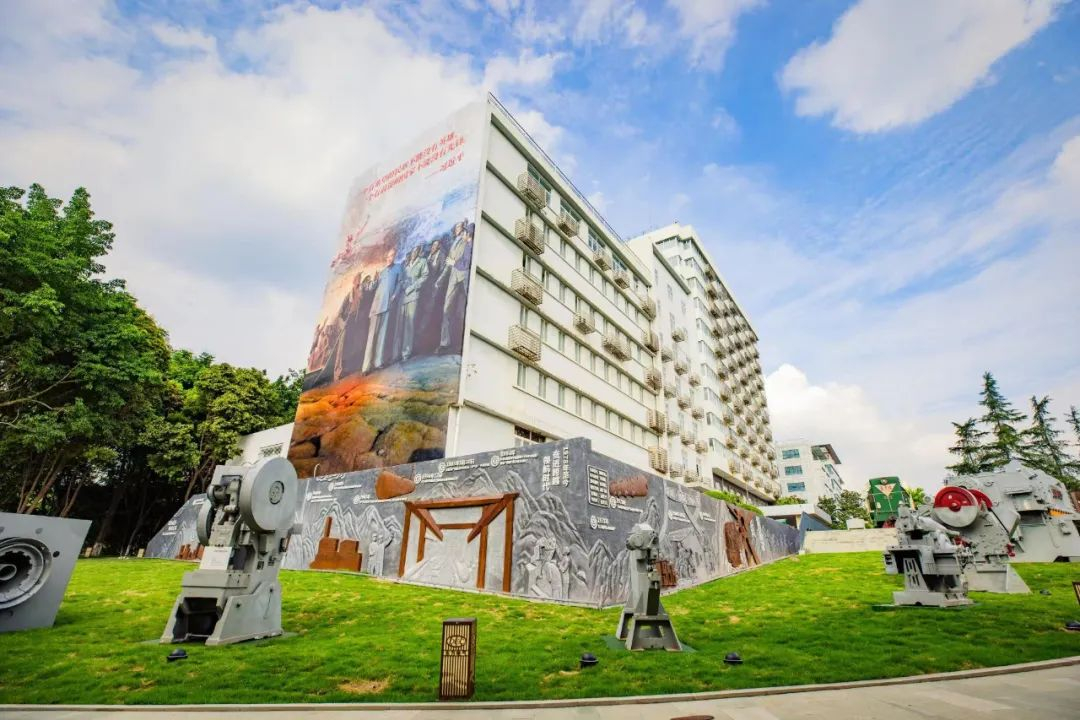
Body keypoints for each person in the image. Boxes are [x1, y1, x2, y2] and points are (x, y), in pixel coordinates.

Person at [362, 247, 403, 373]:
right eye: (389, 256)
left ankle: (378, 362)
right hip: (376, 307)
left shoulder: (398, 268)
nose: (391, 258)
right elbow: (371, 287)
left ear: (395, 257)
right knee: (371, 337)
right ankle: (366, 367)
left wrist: (395, 295)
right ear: (386, 257)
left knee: (382, 335)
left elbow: (400, 283)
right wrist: (373, 279)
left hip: (387, 306)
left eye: (393, 255)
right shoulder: (381, 271)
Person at [438, 219, 474, 353]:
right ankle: (444, 342)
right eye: (456, 227)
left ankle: (465, 342)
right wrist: (440, 280)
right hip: (454, 276)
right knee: (446, 308)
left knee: (465, 308)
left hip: (465, 275)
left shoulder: (468, 240)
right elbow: (449, 263)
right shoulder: (455, 242)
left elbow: (466, 260)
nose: (456, 229)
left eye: (459, 227)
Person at [396, 245, 429, 361]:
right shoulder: (406, 263)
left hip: (413, 296)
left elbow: (425, 276)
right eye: (413, 250)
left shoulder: (422, 262)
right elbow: (401, 279)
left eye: (416, 251)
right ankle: (396, 353)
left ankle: (406, 353)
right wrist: (403, 285)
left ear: (419, 252)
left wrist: (412, 287)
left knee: (409, 325)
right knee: (399, 325)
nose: (414, 253)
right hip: (402, 297)